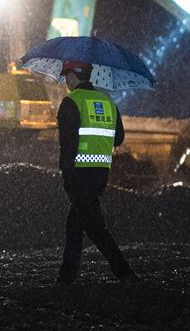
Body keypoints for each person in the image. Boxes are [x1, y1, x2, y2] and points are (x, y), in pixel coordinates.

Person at [56, 60, 136, 284]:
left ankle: (125, 272)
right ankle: (66, 277)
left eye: (66, 75)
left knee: (94, 226)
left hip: (78, 174)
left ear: (73, 76)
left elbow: (68, 144)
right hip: (100, 173)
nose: (65, 80)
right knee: (75, 224)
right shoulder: (108, 101)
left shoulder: (71, 102)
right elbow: (118, 139)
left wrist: (66, 173)